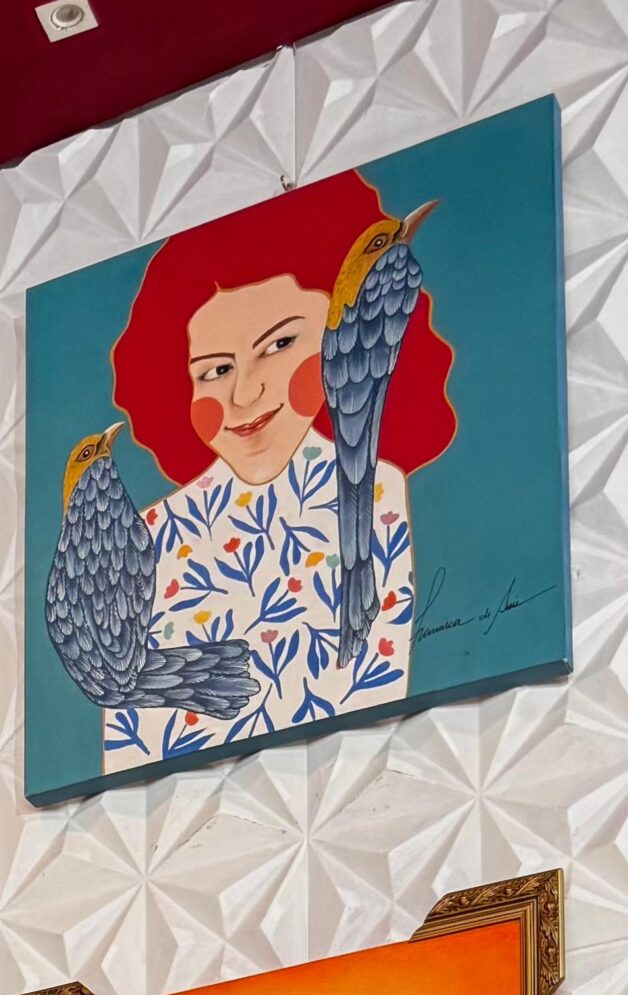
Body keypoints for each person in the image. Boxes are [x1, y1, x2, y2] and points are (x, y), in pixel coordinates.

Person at [97, 169, 457, 771]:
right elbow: (129, 740)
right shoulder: (147, 538)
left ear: (341, 341)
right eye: (215, 371)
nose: (244, 395)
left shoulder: (376, 494)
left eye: (279, 345)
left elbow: (376, 699)